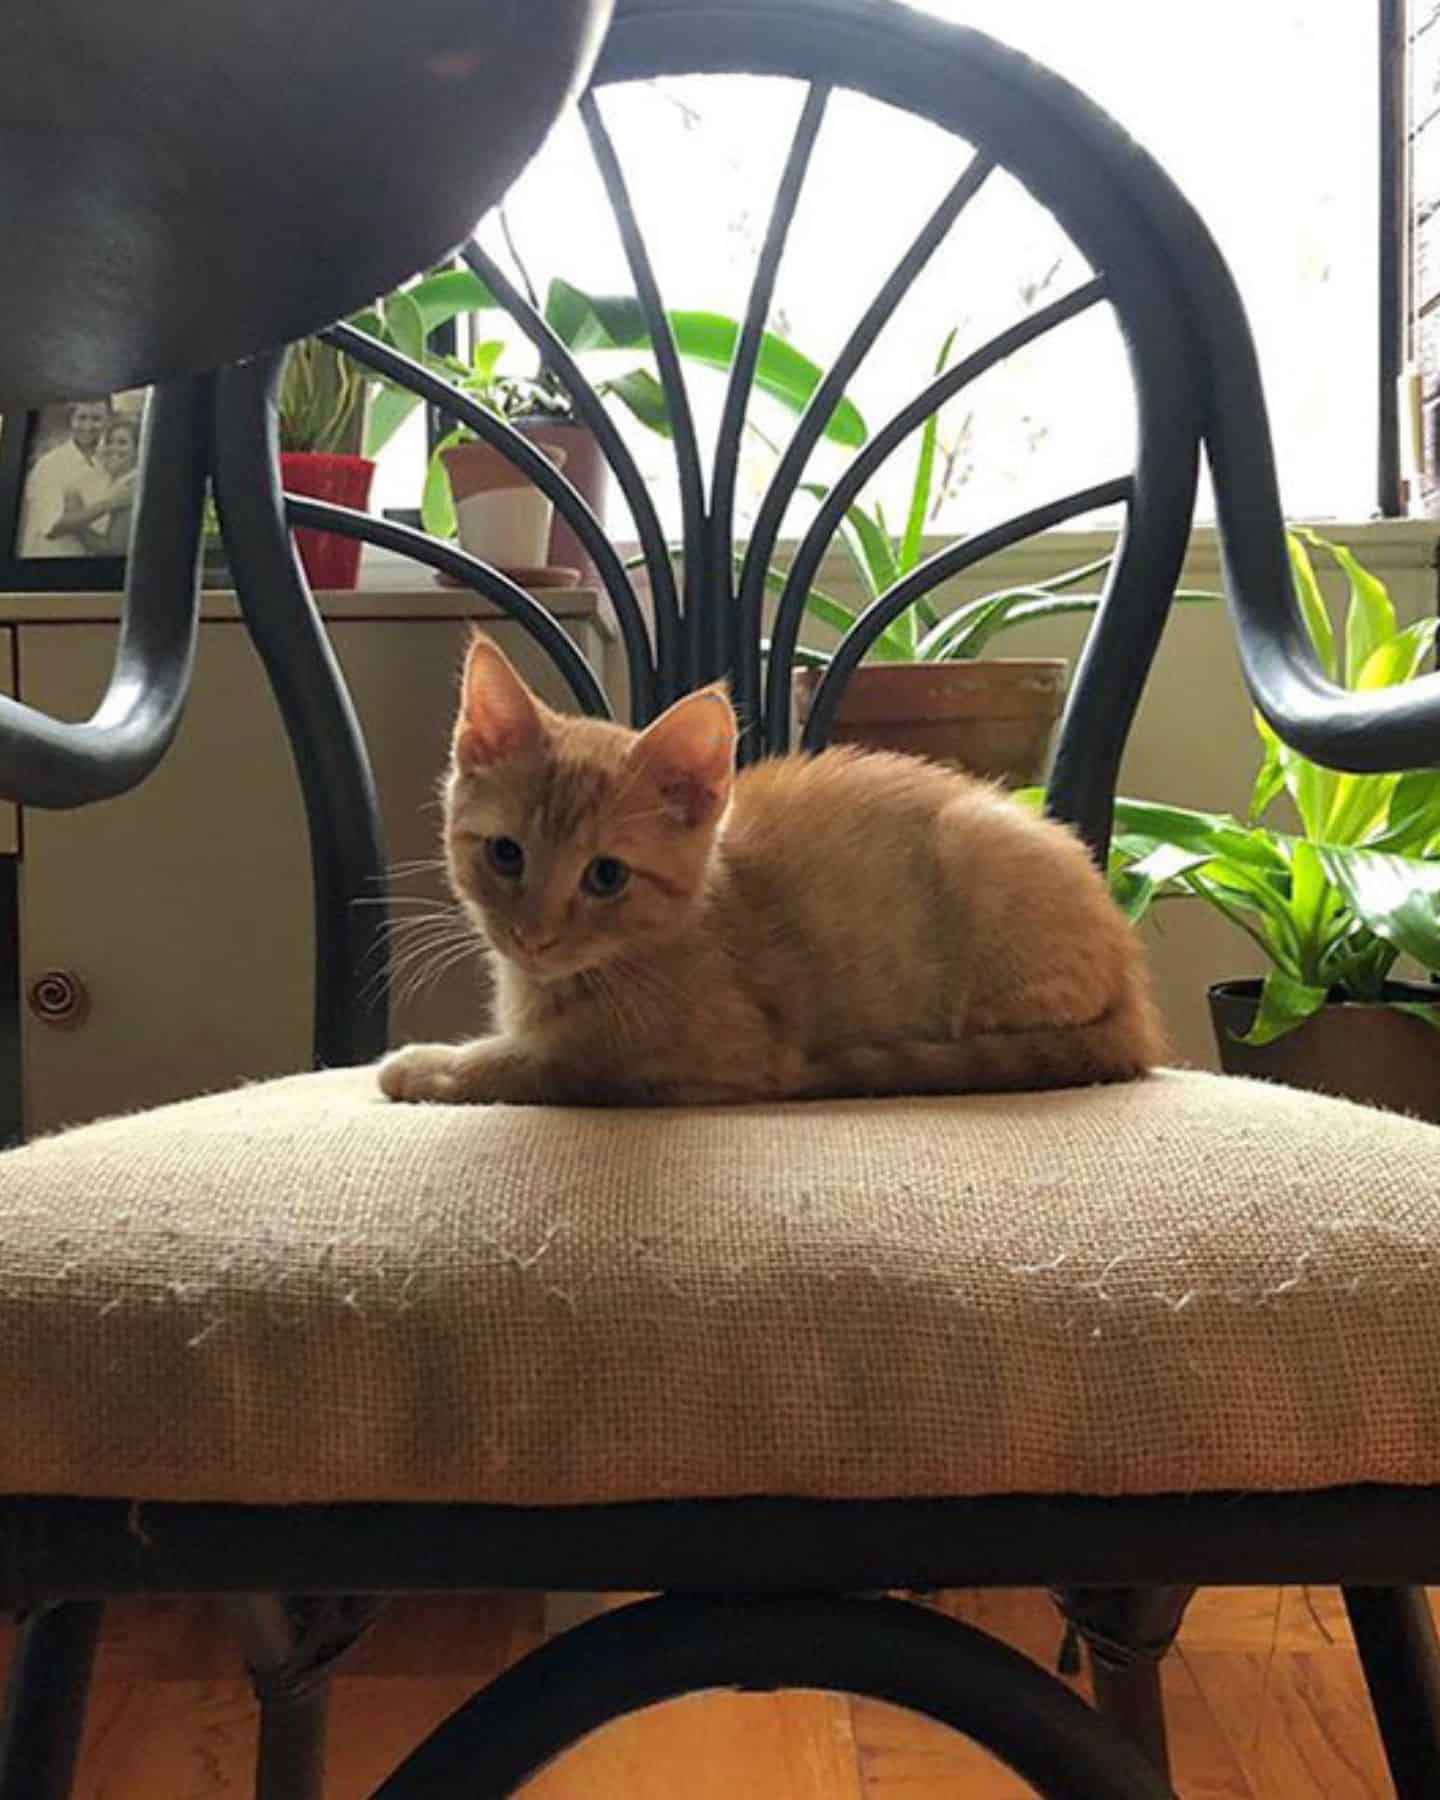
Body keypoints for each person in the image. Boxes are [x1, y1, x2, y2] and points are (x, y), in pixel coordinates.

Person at [17, 399, 113, 557]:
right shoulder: (49, 465)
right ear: (71, 420)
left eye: (96, 418)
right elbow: (52, 527)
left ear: (107, 421)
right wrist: (111, 503)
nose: (87, 426)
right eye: (82, 417)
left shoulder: (109, 461)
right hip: (48, 564)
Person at [48, 414, 142, 556]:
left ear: (137, 450)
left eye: (122, 443)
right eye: (110, 442)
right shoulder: (110, 479)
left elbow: (113, 549)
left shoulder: (130, 485)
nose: (113, 448)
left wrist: (76, 523)